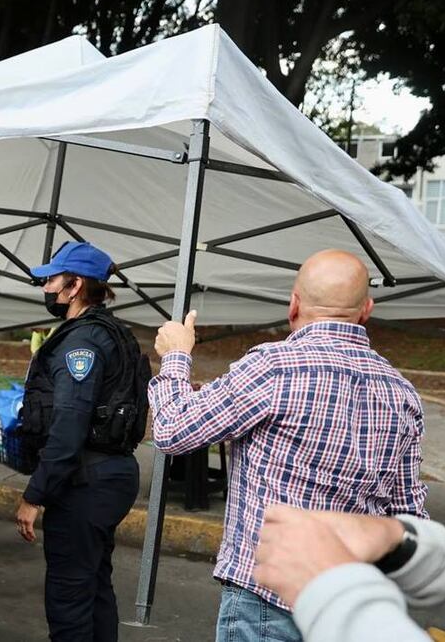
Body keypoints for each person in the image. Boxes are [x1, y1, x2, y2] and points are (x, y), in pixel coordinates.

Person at [149, 249, 428, 642]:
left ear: (293, 304)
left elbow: (173, 429)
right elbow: (408, 515)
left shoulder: (274, 367)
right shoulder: (402, 392)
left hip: (268, 601)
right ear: (366, 309)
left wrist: (177, 357)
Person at [13, 241, 142, 641]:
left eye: (52, 280)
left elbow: (69, 423)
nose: (46, 288)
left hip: (87, 479)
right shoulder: (112, 332)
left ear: (75, 285)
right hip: (109, 474)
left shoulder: (83, 342)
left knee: (69, 598)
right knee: (94, 586)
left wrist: (34, 496)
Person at [255, 505, 445, 642]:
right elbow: (406, 491)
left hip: (339, 593)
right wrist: (400, 542)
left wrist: (336, 592)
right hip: (267, 591)